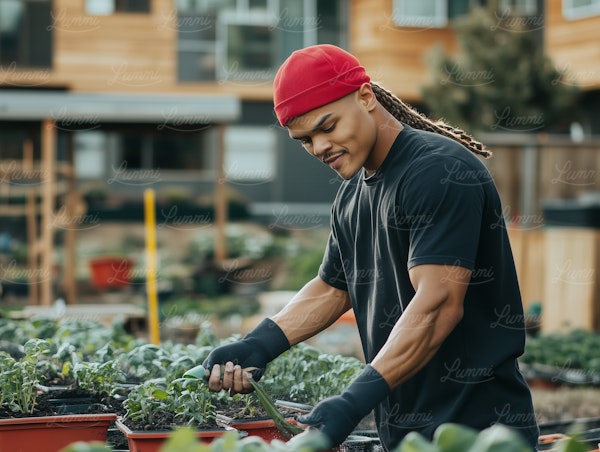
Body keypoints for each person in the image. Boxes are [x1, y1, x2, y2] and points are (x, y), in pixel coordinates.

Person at [198, 44, 540, 451]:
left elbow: (438, 303)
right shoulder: (352, 194)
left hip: (477, 433)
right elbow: (332, 288)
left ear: (365, 96)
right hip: (406, 435)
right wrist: (257, 343)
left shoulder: (439, 171)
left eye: (327, 126)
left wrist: (351, 401)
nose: (319, 147)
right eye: (305, 139)